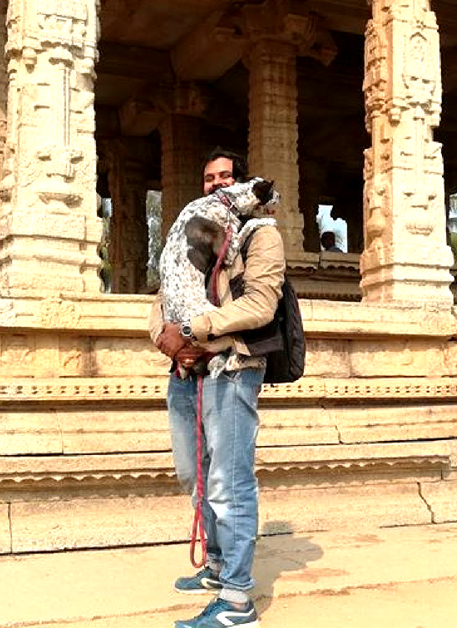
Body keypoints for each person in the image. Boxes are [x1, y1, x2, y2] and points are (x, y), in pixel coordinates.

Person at [149, 147, 284, 628]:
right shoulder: (192, 234)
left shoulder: (259, 235)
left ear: (243, 184)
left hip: (232, 367)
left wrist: (194, 332)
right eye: (209, 178)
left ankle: (237, 602)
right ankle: (217, 565)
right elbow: (163, 298)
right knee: (194, 476)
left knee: (229, 481)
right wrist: (171, 343)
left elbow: (260, 306)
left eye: (226, 176)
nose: (217, 184)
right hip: (187, 372)